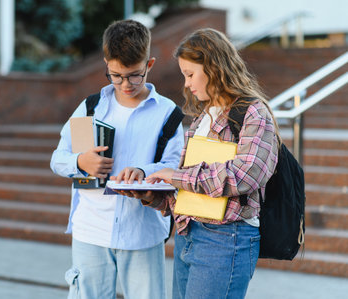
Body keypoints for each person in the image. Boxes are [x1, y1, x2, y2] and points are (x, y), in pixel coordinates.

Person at [121, 28, 280, 299]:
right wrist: (154, 196)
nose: (186, 84)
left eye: (190, 74)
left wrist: (176, 176)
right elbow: (194, 187)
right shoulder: (202, 117)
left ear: (214, 67)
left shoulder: (253, 112)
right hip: (189, 234)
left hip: (225, 239)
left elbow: (245, 176)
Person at [50, 19, 184, 299]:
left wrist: (142, 171)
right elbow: (58, 158)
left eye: (135, 75)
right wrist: (80, 162)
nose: (125, 84)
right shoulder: (91, 107)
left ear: (149, 64)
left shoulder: (167, 113)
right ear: (106, 64)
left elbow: (176, 168)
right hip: (90, 230)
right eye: (115, 75)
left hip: (143, 233)